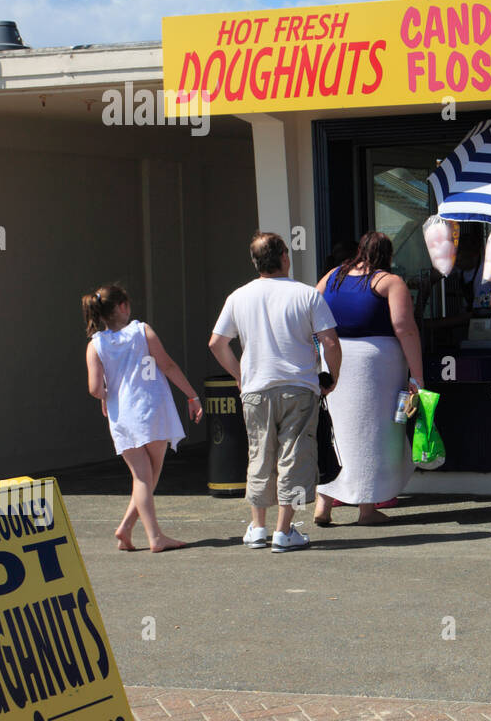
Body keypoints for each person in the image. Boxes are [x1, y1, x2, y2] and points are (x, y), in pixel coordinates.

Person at [209, 232, 341, 553]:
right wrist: (331, 377)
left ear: (255, 262)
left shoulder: (238, 296)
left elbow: (217, 343)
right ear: (285, 256)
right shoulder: (306, 295)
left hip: (256, 388)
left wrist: (240, 376)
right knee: (295, 458)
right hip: (298, 387)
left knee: (260, 455)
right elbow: (331, 342)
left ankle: (258, 527)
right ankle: (285, 530)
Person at [313, 232, 425, 526]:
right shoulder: (389, 282)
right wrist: (419, 376)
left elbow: (310, 307)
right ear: (388, 256)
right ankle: (367, 509)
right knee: (371, 435)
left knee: (335, 433)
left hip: (334, 360)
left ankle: (323, 504)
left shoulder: (333, 276)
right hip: (376, 366)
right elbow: (405, 328)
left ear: (359, 251)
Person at [83, 284, 202, 552]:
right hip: (151, 411)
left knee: (141, 478)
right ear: (122, 307)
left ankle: (126, 528)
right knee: (147, 479)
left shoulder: (96, 345)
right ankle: (155, 537)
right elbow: (167, 364)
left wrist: (105, 396)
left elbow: (94, 388)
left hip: (122, 418)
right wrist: (191, 395)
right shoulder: (142, 331)